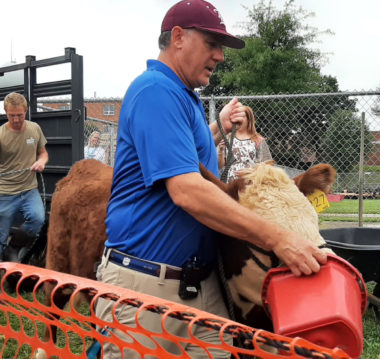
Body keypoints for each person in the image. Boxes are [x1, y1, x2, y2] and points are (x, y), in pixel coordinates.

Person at [95, 0, 327, 357]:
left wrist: (217, 127)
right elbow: (187, 190)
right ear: (178, 38)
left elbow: (186, 155)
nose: (220, 56)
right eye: (212, 44)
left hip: (201, 284)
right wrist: (279, 238)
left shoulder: (184, 96)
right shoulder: (155, 91)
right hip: (147, 287)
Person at [0, 92, 48, 261]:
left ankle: (13, 247)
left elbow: (43, 153)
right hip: (5, 192)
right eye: (11, 115)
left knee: (38, 219)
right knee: (0, 236)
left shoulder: (34, 128)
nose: (16, 119)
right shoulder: (1, 135)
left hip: (29, 190)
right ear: (6, 112)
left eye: (19, 115)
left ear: (25, 111)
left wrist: (41, 162)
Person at [218, 105, 273, 181]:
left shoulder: (258, 139)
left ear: (249, 119)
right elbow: (219, 166)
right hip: (230, 185)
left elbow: (268, 166)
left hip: (251, 186)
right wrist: (221, 150)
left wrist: (252, 171)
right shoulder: (228, 138)